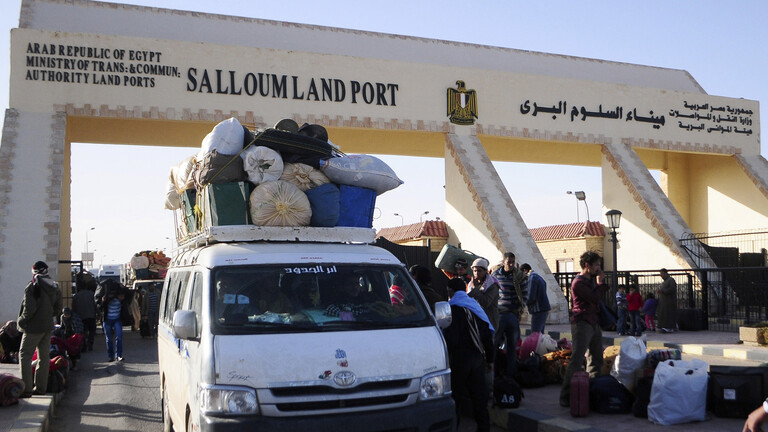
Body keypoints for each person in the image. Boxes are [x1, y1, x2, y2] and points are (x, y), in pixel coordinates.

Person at [559, 251, 610, 408]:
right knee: (577, 358)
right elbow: (594, 298)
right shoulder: (578, 283)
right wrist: (600, 283)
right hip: (582, 323)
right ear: (587, 266)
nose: (598, 268)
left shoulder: (590, 281)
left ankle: (592, 390)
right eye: (596, 265)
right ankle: (566, 395)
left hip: (594, 322)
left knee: (596, 357)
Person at [443, 278, 494, 432]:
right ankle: (484, 428)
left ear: (451, 292)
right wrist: (490, 360)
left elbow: (451, 339)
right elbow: (487, 334)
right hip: (478, 358)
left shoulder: (450, 310)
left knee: (455, 397)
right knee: (479, 397)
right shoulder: (474, 307)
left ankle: (454, 427)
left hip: (460, 359)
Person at [17, 260, 62, 397]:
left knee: (25, 355)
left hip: (32, 327)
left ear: (34, 271)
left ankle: (26, 389)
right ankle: (41, 388)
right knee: (44, 357)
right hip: (47, 327)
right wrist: (47, 316)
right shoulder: (54, 286)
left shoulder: (32, 286)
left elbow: (29, 309)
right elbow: (58, 309)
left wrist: (21, 321)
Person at [491, 253, 524, 378]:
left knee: (512, 347)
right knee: (494, 345)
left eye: (513, 262)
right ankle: (493, 375)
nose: (511, 264)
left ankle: (511, 377)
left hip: (512, 315)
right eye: (509, 262)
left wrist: (520, 308)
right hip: (499, 315)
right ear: (503, 262)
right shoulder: (495, 275)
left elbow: (525, 293)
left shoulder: (519, 276)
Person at [100, 279, 130, 362]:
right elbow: (100, 307)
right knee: (109, 339)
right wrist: (103, 301)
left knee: (119, 337)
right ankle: (111, 356)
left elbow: (129, 294)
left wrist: (122, 286)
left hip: (117, 319)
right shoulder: (107, 299)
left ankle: (119, 355)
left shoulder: (121, 300)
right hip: (107, 320)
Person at [521, 263, 550, 334]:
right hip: (543, 309)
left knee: (535, 334)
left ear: (525, 271)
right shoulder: (538, 277)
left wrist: (522, 303)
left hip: (538, 309)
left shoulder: (532, 278)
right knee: (540, 334)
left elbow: (531, 296)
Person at [72, 283, 98, 352]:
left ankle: (84, 345)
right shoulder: (91, 294)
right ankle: (90, 342)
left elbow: (73, 308)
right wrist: (98, 313)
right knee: (92, 331)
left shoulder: (76, 296)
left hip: (81, 317)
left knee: (83, 331)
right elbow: (95, 305)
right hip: (91, 315)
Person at [657, 268, 678, 333]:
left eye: (662, 274)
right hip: (664, 301)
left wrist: (663, 291)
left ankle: (669, 327)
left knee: (669, 314)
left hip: (669, 301)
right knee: (663, 314)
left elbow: (672, 289)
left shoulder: (671, 280)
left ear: (665, 273)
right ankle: (664, 327)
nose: (661, 275)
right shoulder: (664, 282)